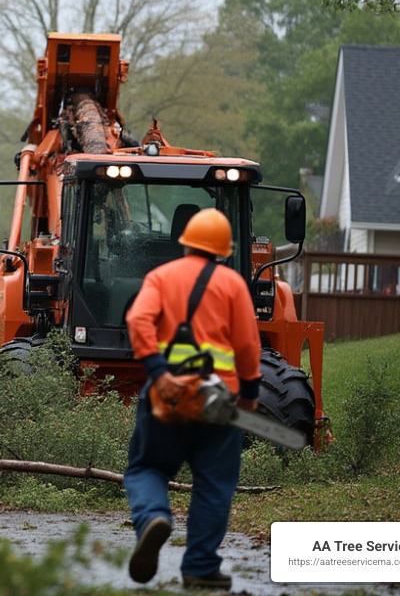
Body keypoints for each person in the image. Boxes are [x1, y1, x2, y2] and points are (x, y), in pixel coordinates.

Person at [122, 208, 263, 591]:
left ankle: (154, 516)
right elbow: (249, 345)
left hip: (167, 393)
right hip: (219, 399)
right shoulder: (233, 284)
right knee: (214, 484)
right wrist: (249, 394)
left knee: (146, 469)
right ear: (223, 250)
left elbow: (138, 320)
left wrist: (159, 372)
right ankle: (200, 567)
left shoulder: (160, 277)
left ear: (184, 242)